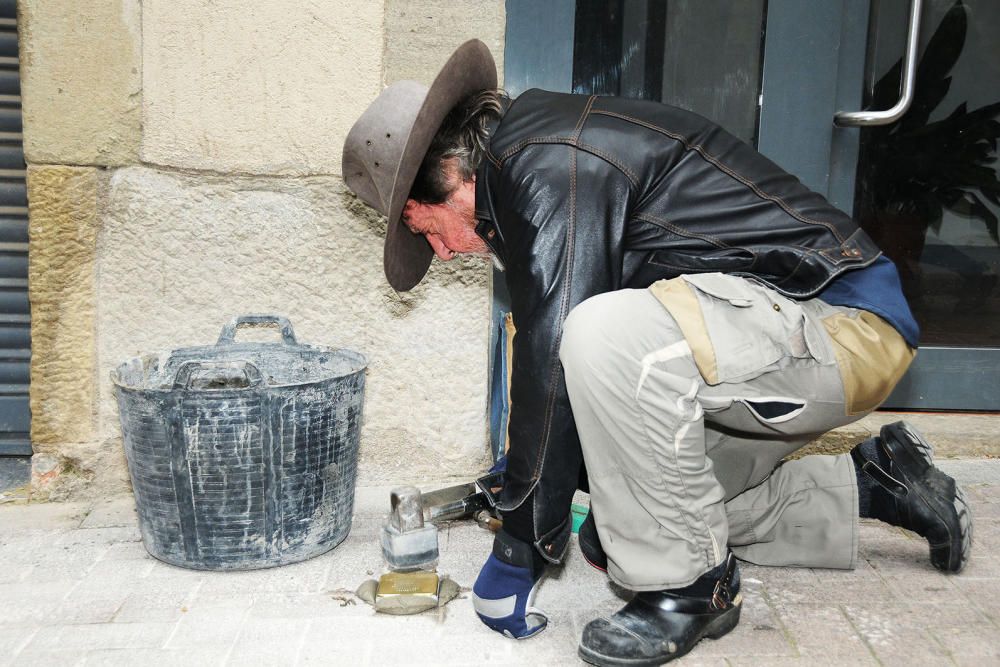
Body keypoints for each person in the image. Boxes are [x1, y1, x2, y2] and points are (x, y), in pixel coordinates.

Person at [342, 40, 972, 666]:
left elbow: (556, 351)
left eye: (429, 231)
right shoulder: (539, 158)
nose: (446, 253)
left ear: (452, 178)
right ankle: (876, 482)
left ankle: (690, 589)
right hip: (780, 343)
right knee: (642, 511)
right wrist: (527, 478)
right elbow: (573, 396)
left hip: (842, 325)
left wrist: (521, 544)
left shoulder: (548, 160)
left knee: (595, 336)